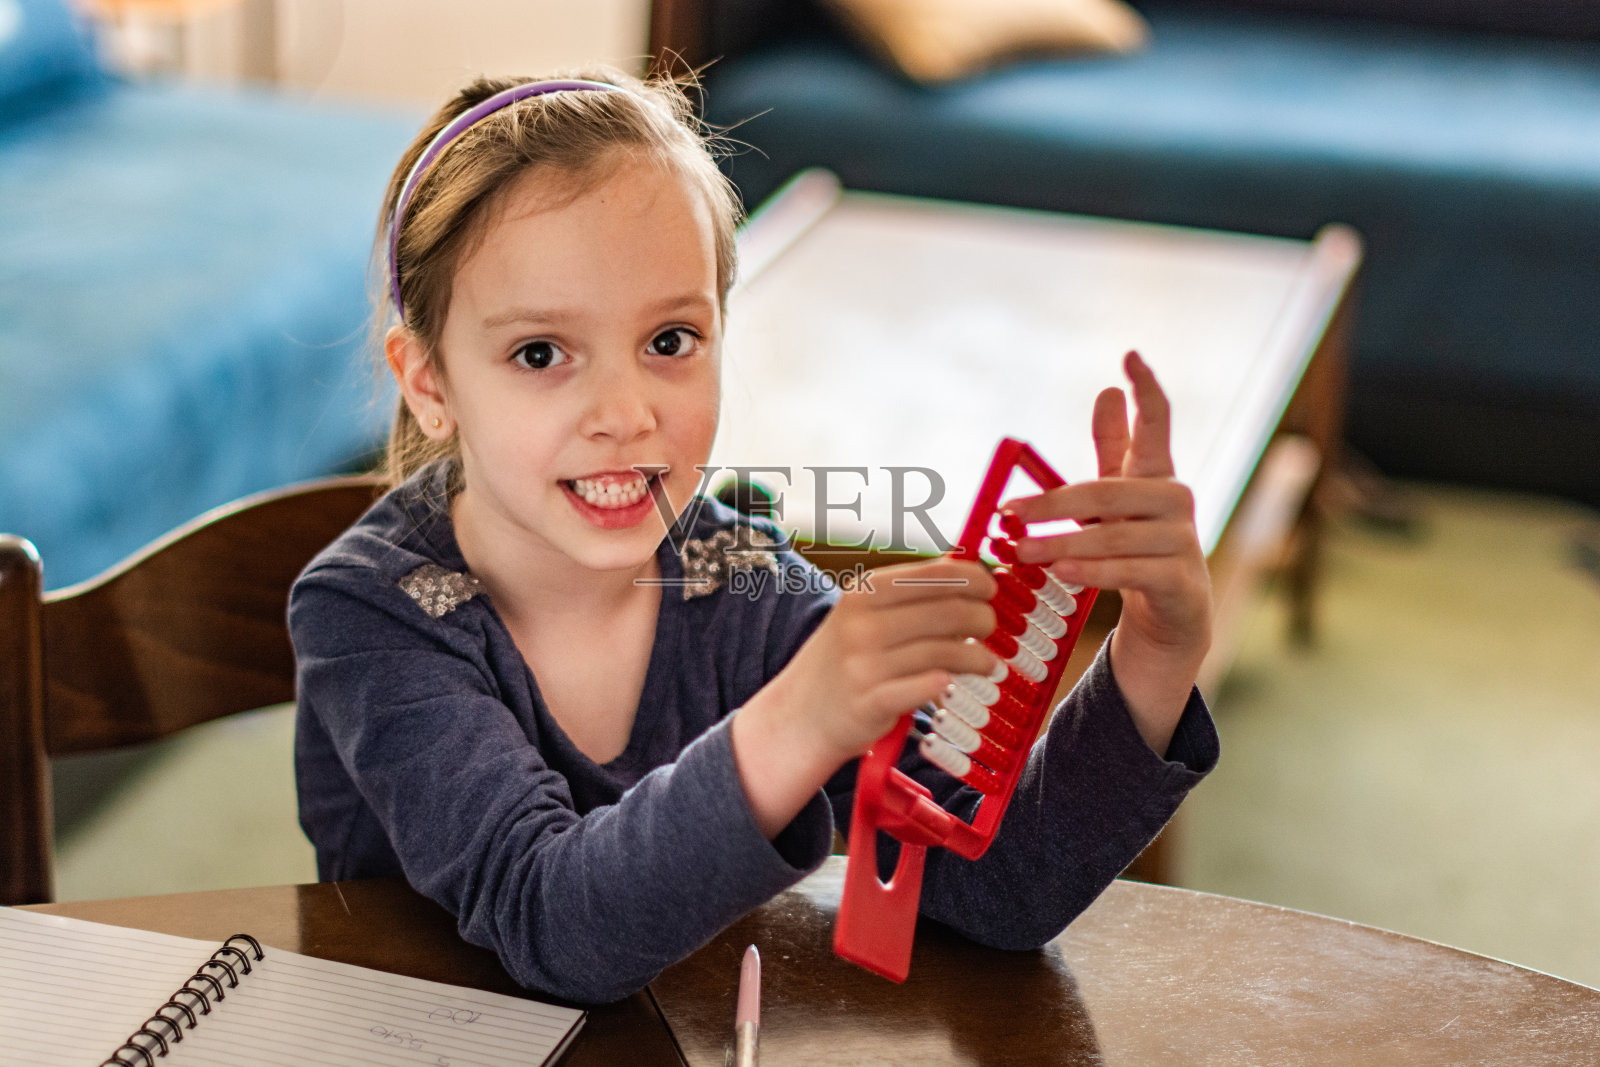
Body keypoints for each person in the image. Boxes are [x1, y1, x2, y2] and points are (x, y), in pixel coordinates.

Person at [290, 67, 1219, 1005]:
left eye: (671, 341)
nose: (625, 412)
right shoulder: (369, 612)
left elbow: (1001, 883)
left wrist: (1155, 647)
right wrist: (799, 720)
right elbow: (551, 919)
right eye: (541, 353)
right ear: (430, 382)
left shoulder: (737, 580)